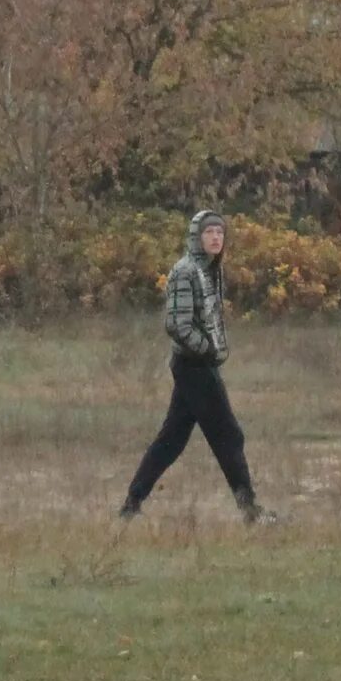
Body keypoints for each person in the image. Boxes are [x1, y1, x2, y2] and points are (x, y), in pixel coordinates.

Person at [119, 209, 272, 526]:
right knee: (228, 435)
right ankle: (250, 511)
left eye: (220, 232)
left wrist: (213, 349)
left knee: (171, 440)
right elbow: (176, 324)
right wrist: (207, 348)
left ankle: (131, 505)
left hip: (199, 365)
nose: (216, 237)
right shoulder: (185, 271)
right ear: (196, 237)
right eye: (209, 232)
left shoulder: (210, 271)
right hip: (193, 366)